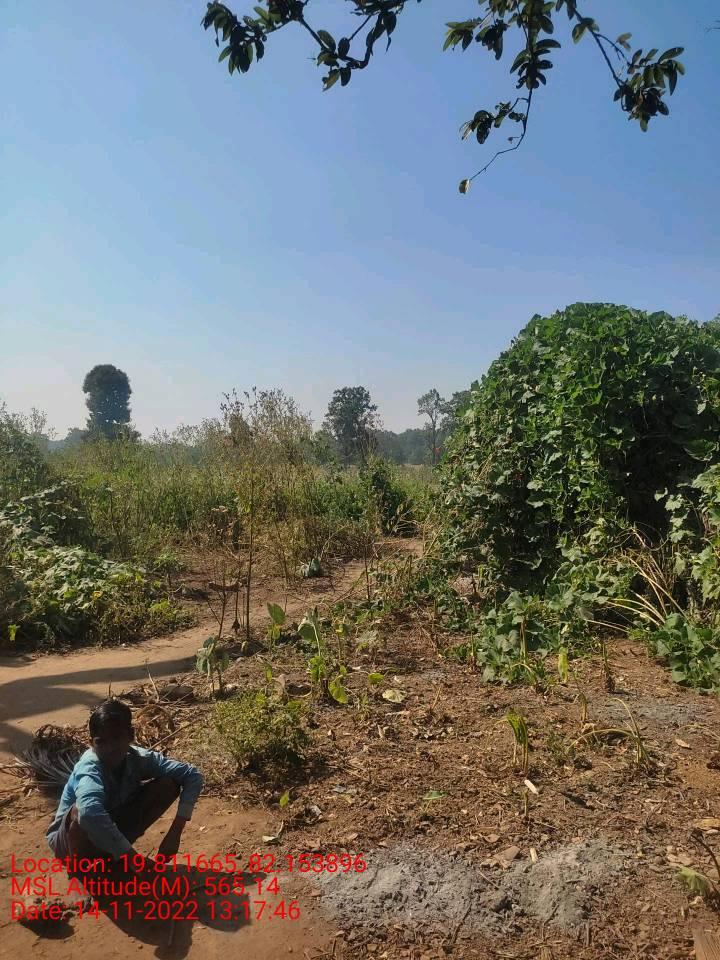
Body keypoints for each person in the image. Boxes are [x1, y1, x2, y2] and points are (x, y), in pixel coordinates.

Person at [46, 698, 203, 872]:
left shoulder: (138, 759)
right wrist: (133, 858)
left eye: (116, 738)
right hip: (69, 845)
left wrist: (175, 832)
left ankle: (115, 854)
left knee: (167, 785)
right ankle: (81, 870)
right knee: (82, 810)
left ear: (130, 735)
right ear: (92, 744)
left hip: (110, 830)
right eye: (101, 742)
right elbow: (89, 812)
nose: (109, 748)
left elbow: (192, 775)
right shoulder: (89, 768)